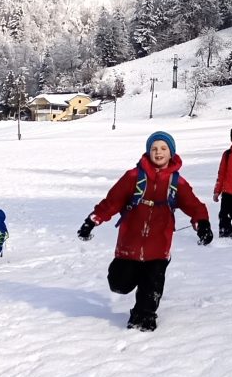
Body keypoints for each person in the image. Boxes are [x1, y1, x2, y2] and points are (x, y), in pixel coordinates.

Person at [77, 132, 212, 331]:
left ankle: (145, 314)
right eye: (154, 148)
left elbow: (194, 205)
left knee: (153, 284)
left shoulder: (176, 181)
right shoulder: (133, 176)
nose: (158, 152)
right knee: (118, 283)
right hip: (130, 241)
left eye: (163, 148)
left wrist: (203, 224)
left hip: (159, 242)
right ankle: (138, 281)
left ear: (171, 152)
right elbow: (112, 202)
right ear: (148, 151)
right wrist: (92, 220)